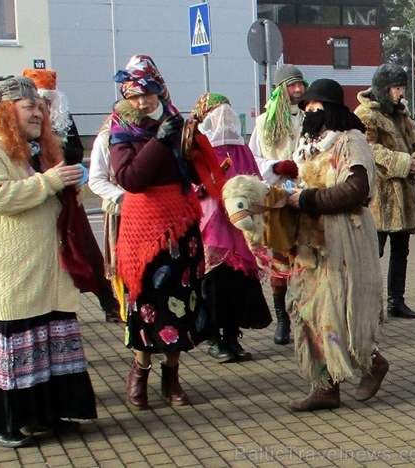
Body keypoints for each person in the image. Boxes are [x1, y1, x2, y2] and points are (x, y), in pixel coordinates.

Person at [0, 76, 98, 447]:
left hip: (42, 269)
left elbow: (46, 195)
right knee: (15, 344)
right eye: (29, 108)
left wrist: (69, 186)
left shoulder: (28, 149)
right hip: (8, 271)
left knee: (49, 338)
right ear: (3, 112)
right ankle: (8, 423)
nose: (39, 113)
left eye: (40, 107)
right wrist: (51, 182)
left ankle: (47, 414)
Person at [109, 54, 211, 409]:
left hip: (180, 228)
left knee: (180, 305)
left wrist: (196, 147)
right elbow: (130, 179)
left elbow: (195, 175)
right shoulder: (121, 128)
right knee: (146, 306)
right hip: (144, 231)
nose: (142, 102)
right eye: (134, 95)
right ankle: (140, 370)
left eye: (148, 93)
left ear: (160, 90)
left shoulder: (176, 122)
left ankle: (172, 375)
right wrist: (158, 142)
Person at [287, 78, 389, 411]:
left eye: (317, 107)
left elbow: (356, 189)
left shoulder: (351, 141)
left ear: (332, 109)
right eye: (307, 108)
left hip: (344, 236)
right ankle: (325, 386)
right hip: (311, 240)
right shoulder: (305, 147)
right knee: (312, 310)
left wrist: (307, 199)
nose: (311, 112)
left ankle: (371, 363)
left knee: (344, 310)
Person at [190, 93, 272, 363]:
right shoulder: (199, 149)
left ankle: (231, 335)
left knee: (239, 284)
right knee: (214, 284)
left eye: (227, 112)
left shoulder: (242, 150)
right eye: (217, 113)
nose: (224, 118)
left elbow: (256, 180)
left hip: (240, 227)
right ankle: (213, 337)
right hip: (212, 224)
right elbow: (191, 186)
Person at [354, 63, 415, 319]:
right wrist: (404, 162)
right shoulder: (365, 115)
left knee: (401, 251)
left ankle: (396, 301)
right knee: (373, 252)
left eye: (403, 88)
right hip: (379, 196)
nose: (401, 94)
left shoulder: (401, 113)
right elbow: (369, 150)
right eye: (397, 88)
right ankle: (367, 304)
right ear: (384, 89)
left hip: (403, 194)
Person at [248, 64, 305, 345]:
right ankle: (282, 320)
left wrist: (302, 168)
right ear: (281, 89)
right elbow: (252, 160)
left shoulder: (308, 118)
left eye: (300, 84)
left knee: (306, 257)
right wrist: (276, 165)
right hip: (276, 198)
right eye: (292, 85)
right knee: (280, 258)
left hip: (305, 195)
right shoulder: (263, 123)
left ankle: (304, 316)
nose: (298, 90)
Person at [88, 115, 126, 322]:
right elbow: (96, 179)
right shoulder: (106, 138)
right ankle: (122, 308)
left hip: (147, 211)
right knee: (120, 263)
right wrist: (121, 196)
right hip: (118, 210)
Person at [22, 68, 84, 164]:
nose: (44, 105)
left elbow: (77, 152)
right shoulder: (24, 119)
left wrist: (56, 145)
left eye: (47, 100)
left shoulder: (63, 118)